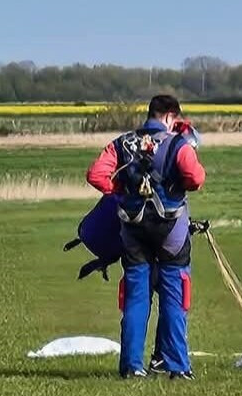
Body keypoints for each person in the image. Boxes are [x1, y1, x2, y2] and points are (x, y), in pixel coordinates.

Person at [86, 95, 206, 379]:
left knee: (136, 299)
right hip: (172, 232)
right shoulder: (179, 144)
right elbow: (196, 178)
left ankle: (131, 366)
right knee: (174, 297)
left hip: (133, 230)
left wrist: (121, 191)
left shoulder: (122, 143)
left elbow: (96, 175)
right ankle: (177, 366)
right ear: (170, 117)